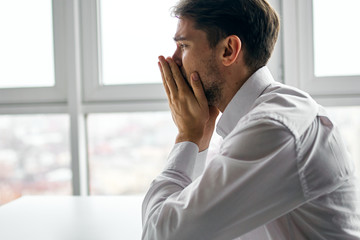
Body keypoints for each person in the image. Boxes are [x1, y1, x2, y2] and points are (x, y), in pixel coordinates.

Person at [142, 0, 360, 239]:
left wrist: (187, 136)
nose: (174, 60)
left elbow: (161, 234)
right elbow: (193, 213)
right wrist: (201, 135)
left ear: (228, 50)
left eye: (183, 45)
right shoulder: (257, 119)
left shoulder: (274, 128)